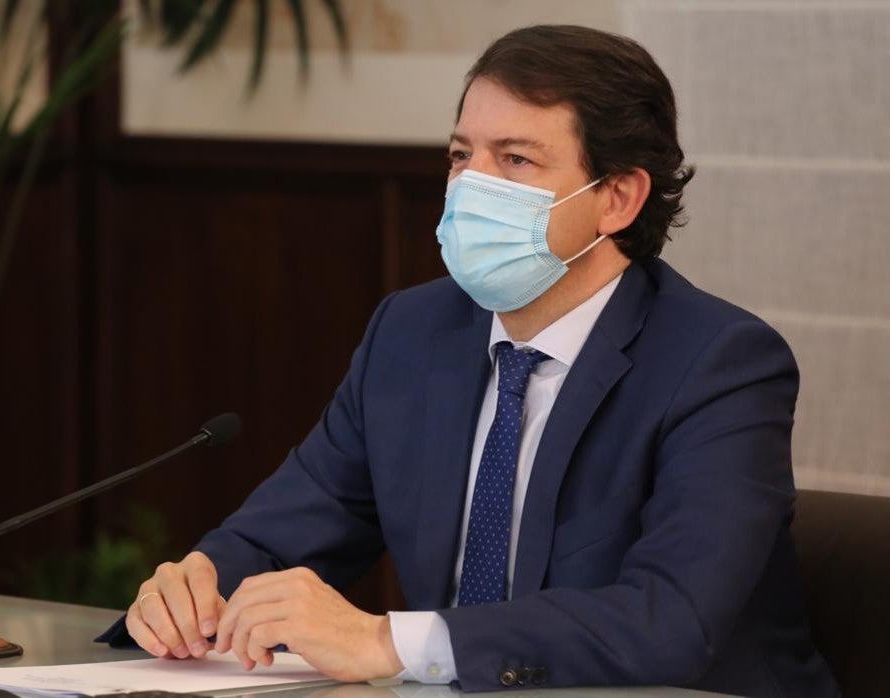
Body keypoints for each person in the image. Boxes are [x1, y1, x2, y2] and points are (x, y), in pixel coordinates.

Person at [96, 25, 838, 697]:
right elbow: (283, 534)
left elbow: (668, 618)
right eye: (460, 155)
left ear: (617, 198)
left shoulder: (720, 364)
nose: (470, 185)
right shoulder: (412, 333)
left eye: (515, 159)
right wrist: (199, 586)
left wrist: (386, 641)